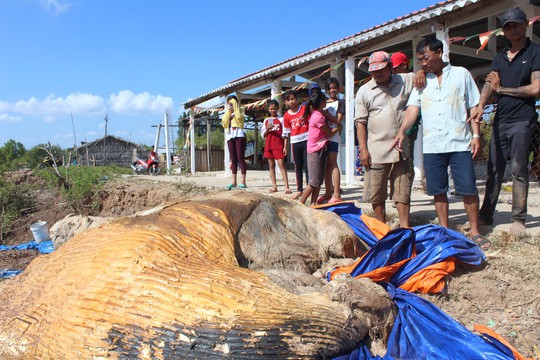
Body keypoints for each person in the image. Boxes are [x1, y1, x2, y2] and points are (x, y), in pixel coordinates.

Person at [392, 37, 491, 250]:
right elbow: (412, 109)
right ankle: (444, 231)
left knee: (468, 188)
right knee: (438, 190)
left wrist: (475, 135)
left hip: (459, 142)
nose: (423, 64)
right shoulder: (421, 82)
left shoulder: (461, 74)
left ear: (439, 52)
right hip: (433, 145)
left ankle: (474, 231)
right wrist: (402, 131)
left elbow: (473, 107)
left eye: (426, 58)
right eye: (419, 61)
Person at [468, 7, 540, 234]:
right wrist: (480, 106)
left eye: (516, 24)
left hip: (522, 119)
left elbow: (536, 88)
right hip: (500, 119)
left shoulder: (535, 52)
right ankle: (485, 215)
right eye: (508, 26)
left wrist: (503, 89)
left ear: (525, 24)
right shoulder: (500, 56)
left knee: (519, 169)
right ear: (504, 31)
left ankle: (518, 219)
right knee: (494, 170)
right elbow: (490, 84)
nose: (512, 29)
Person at [355, 51, 415, 228]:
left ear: (390, 67)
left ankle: (405, 227)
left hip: (400, 149)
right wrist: (363, 150)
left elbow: (420, 75)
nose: (378, 74)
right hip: (376, 150)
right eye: (374, 71)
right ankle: (382, 228)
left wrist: (420, 74)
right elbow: (360, 123)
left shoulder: (404, 80)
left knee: (402, 190)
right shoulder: (364, 91)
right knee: (377, 192)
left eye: (381, 69)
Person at [299, 90, 342, 205]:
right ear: (321, 103)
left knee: (318, 181)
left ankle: (313, 203)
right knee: (313, 182)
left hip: (320, 149)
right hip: (315, 151)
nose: (326, 101)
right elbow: (329, 132)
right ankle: (300, 203)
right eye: (324, 100)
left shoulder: (319, 114)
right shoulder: (317, 117)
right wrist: (339, 127)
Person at [317, 77, 345, 204]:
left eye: (334, 88)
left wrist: (324, 113)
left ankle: (337, 193)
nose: (332, 90)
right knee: (326, 166)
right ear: (326, 90)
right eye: (330, 88)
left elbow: (338, 121)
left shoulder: (340, 103)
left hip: (333, 137)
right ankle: (328, 193)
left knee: (333, 164)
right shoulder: (324, 103)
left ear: (338, 89)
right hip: (322, 137)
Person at [283, 89, 309, 199]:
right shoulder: (286, 116)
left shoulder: (304, 109)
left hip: (307, 139)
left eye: (292, 99)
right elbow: (286, 133)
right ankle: (299, 190)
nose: (291, 102)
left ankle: (309, 188)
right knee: (297, 166)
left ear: (296, 99)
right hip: (295, 142)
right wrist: (285, 146)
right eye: (288, 100)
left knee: (307, 165)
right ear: (285, 102)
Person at [262, 99, 291, 194]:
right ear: (268, 109)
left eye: (274, 109)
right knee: (271, 165)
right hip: (269, 145)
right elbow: (263, 135)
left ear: (278, 108)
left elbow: (285, 134)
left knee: (281, 165)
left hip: (278, 144)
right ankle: (274, 186)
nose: (273, 111)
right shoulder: (266, 120)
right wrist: (267, 129)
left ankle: (287, 187)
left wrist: (285, 146)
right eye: (271, 109)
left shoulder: (282, 119)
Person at [222, 95, 247, 190]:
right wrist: (228, 112)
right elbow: (224, 123)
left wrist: (235, 106)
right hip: (230, 135)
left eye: (232, 103)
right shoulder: (227, 112)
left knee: (241, 158)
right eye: (229, 103)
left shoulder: (240, 110)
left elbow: (239, 118)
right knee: (233, 159)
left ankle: (243, 181)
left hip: (239, 134)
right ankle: (233, 181)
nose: (231, 105)